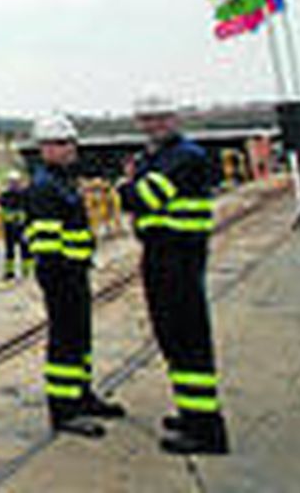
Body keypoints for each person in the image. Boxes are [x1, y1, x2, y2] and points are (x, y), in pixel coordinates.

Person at [120, 93, 229, 455]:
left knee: (188, 340)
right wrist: (132, 187)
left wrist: (127, 187)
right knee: (172, 338)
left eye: (161, 117)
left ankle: (206, 430)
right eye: (148, 119)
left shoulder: (185, 156)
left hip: (180, 256)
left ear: (174, 118)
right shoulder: (154, 158)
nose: (154, 125)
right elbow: (138, 195)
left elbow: (142, 198)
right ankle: (191, 413)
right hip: (158, 254)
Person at [26, 113, 125, 437]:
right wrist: (63, 276)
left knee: (80, 338)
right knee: (65, 342)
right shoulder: (44, 187)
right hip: (61, 276)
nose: (69, 148)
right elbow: (46, 244)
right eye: (60, 143)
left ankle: (82, 395)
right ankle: (64, 409)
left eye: (70, 142)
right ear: (44, 148)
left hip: (75, 272)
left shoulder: (62, 181)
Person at [0, 170, 30, 280]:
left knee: (25, 250)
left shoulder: (25, 196)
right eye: (11, 182)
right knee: (9, 251)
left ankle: (27, 272)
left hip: (23, 227)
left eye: (15, 182)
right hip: (9, 227)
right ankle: (9, 272)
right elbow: (3, 211)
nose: (13, 184)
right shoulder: (5, 196)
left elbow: (27, 210)